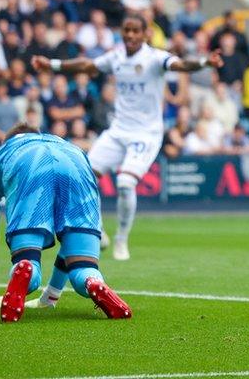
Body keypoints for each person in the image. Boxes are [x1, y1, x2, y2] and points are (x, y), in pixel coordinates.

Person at [30, 16, 222, 261]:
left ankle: (121, 238)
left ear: (144, 34)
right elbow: (87, 65)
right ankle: (97, 228)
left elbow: (182, 65)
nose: (130, 35)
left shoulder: (155, 58)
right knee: (82, 176)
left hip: (146, 134)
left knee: (124, 183)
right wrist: (53, 65)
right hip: (118, 130)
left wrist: (205, 61)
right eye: (126, 30)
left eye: (135, 31)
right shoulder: (116, 56)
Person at [0, 123, 131, 322]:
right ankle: (92, 281)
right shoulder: (64, 143)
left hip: (29, 164)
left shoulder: (2, 153)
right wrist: (50, 296)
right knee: (82, 264)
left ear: (9, 140)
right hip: (77, 162)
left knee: (27, 260)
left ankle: (25, 266)